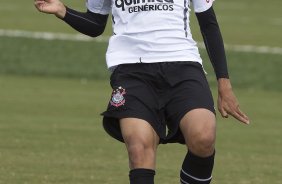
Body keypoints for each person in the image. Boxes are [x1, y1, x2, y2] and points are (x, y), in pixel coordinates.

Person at [34, 0, 250, 183]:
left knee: (203, 136)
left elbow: (209, 23)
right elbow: (95, 24)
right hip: (131, 69)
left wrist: (224, 83)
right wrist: (62, 10)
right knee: (139, 147)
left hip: (183, 64)